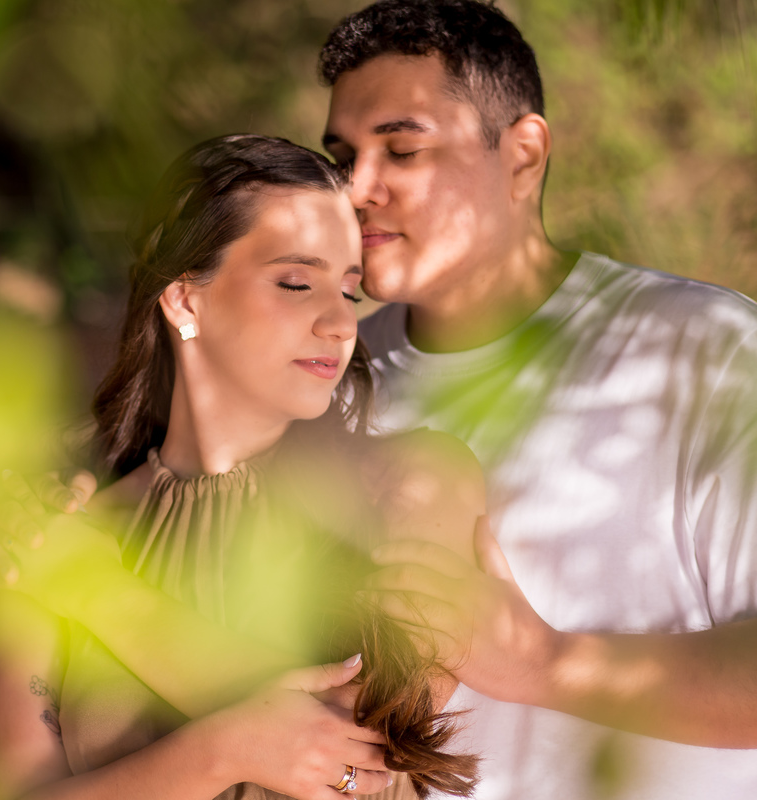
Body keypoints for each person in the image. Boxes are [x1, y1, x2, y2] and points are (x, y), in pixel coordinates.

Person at [314, 1, 757, 798]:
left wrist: (540, 660)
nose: (355, 189)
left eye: (402, 149)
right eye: (341, 156)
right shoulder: (326, 383)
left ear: (522, 156)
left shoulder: (703, 351)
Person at [0, 134, 485, 800]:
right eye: (297, 283)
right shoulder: (59, 528)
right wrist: (222, 751)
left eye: (348, 289)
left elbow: (364, 747)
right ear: (186, 301)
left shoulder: (415, 480)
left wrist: (97, 591)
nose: (340, 323)